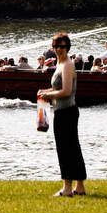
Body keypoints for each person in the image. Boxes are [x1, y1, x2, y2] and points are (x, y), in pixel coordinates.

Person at [39, 32, 87, 197]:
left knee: (66, 149)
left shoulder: (67, 65)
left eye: (62, 46)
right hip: (63, 111)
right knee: (73, 148)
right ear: (52, 48)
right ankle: (80, 187)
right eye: (56, 46)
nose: (59, 49)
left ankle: (67, 188)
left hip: (67, 112)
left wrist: (49, 96)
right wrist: (46, 91)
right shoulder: (60, 64)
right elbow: (59, 88)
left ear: (67, 48)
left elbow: (66, 91)